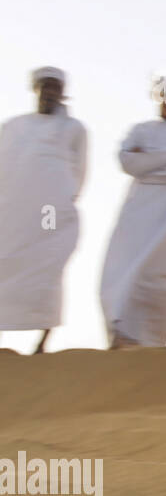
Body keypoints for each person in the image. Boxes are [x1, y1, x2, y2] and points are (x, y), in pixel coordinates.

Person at [99, 76, 166, 348]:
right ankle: (120, 334)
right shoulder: (141, 129)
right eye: (165, 95)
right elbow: (126, 160)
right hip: (139, 212)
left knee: (159, 273)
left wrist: (150, 166)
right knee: (121, 272)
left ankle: (150, 343)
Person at [0, 67, 87, 354]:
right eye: (45, 86)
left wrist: (59, 199)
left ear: (62, 92)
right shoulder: (13, 125)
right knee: (6, 263)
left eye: (55, 87)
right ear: (35, 89)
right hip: (13, 211)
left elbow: (79, 171)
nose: (49, 92)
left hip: (52, 211)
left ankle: (43, 342)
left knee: (49, 264)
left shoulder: (74, 128)